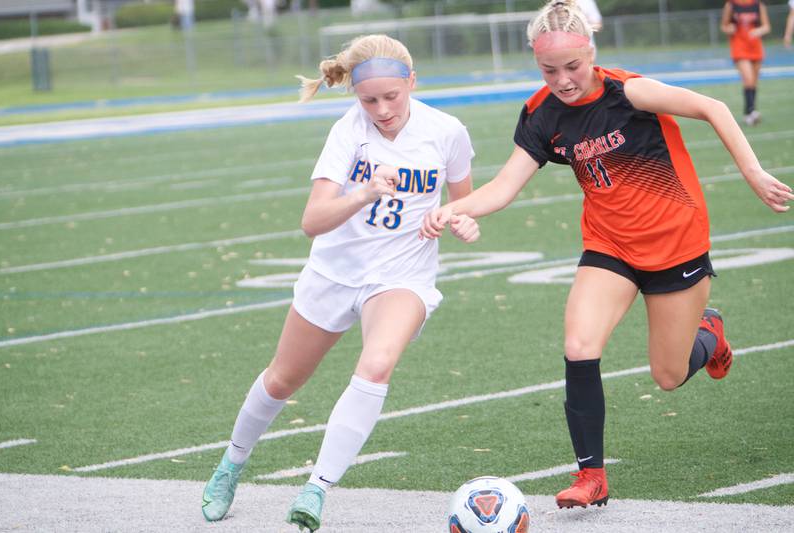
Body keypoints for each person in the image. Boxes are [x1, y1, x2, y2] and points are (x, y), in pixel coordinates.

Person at [421, 0, 792, 511]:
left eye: (572, 66)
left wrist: (752, 172)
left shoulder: (628, 92)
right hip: (609, 246)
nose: (563, 80)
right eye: (549, 70)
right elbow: (506, 184)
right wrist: (455, 209)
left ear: (591, 52)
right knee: (579, 345)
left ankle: (709, 334)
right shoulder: (540, 114)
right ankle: (592, 475)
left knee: (668, 375)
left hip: (675, 244)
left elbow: (714, 107)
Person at [201, 34, 480, 531]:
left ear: (412, 82)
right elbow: (312, 220)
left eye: (391, 96)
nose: (381, 109)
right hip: (334, 273)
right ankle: (231, 464)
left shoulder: (447, 131)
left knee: (376, 365)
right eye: (368, 99)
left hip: (401, 276)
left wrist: (460, 220)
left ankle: (317, 489)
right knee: (283, 379)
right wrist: (365, 192)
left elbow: (463, 199)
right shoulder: (347, 133)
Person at [720, 0, 771, 126]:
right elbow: (724, 26)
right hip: (739, 47)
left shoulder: (758, 4)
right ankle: (751, 111)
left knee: (753, 82)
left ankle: (749, 112)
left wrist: (759, 31)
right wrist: (729, 29)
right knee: (748, 79)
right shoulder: (731, 5)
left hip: (755, 47)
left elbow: (766, 26)